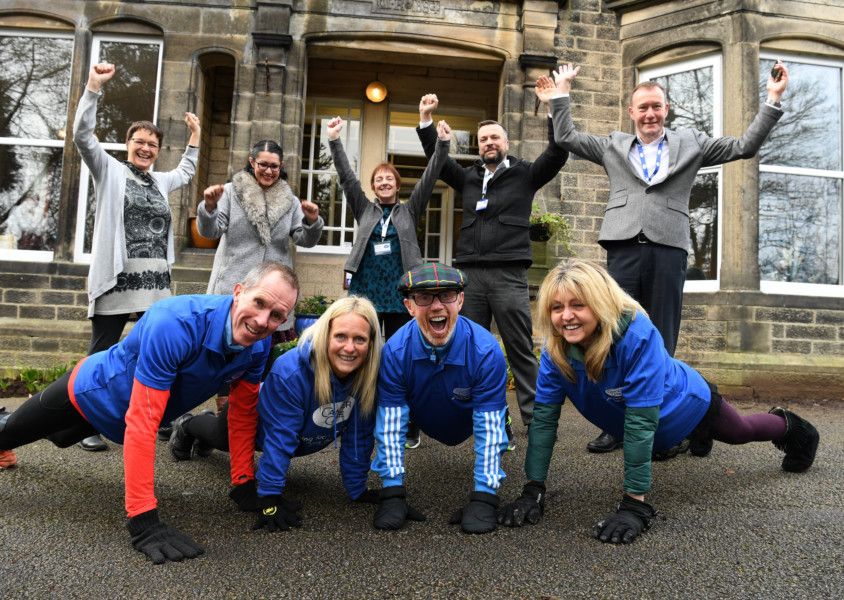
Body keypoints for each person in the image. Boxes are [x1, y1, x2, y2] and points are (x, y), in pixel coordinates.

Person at [537, 61, 789, 453]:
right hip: (622, 245)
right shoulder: (612, 146)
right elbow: (566, 135)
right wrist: (562, 91)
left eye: (656, 106)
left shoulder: (691, 144)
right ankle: (617, 425)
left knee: (662, 333)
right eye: (643, 107)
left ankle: (660, 420)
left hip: (668, 247)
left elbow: (744, 147)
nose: (650, 114)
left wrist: (772, 100)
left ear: (666, 109)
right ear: (632, 112)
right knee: (610, 328)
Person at [497, 259, 819, 544]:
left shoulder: (637, 336)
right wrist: (532, 488)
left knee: (742, 431)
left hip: (687, 405)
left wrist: (634, 503)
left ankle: (793, 427)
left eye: (577, 305)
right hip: (649, 428)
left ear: (598, 304)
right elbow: (543, 421)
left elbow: (639, 422)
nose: (566, 316)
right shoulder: (557, 352)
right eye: (556, 307)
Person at [0, 262, 299, 564]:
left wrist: (245, 483)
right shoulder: (174, 323)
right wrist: (143, 520)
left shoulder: (258, 348)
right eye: (259, 302)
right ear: (238, 292)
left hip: (122, 422)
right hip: (87, 394)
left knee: (61, 439)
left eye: (276, 316)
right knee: (10, 433)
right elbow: (143, 422)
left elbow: (243, 414)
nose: (262, 320)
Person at [416, 94, 569, 438]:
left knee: (520, 350)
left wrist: (552, 111)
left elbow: (558, 153)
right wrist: (427, 122)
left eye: (494, 137)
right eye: (483, 138)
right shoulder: (468, 178)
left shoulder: (526, 175)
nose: (489, 143)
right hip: (470, 276)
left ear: (506, 143)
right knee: (469, 349)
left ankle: (536, 419)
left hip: (509, 274)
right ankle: (480, 415)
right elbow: (437, 161)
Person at [72, 62, 201, 452]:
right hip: (117, 279)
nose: (146, 149)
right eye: (139, 142)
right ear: (128, 144)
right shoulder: (108, 169)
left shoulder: (160, 181)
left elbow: (186, 171)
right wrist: (94, 87)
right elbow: (82, 135)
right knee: (102, 353)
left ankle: (157, 415)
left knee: (159, 350)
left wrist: (195, 136)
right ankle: (82, 423)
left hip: (155, 286)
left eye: (152, 145)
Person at [172, 297, 382, 528]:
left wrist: (357, 490)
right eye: (340, 336)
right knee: (220, 437)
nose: (349, 348)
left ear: (371, 343)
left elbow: (358, 437)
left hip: (296, 432)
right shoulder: (291, 372)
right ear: (326, 335)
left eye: (359, 339)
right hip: (254, 422)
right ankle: (187, 425)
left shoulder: (367, 378)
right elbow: (280, 438)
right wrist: (268, 496)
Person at [326, 117, 452, 450]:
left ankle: (408, 420)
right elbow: (345, 175)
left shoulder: (410, 211)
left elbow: (431, 174)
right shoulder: (364, 209)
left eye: (389, 179)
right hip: (365, 292)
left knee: (399, 356)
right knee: (360, 353)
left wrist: (441, 144)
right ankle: (355, 416)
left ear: (397, 185)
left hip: (399, 294)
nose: (384, 182)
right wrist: (335, 140)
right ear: (373, 186)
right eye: (378, 179)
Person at [370, 262, 510, 534]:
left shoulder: (486, 350)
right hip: (423, 412)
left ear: (460, 300)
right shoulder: (395, 351)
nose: (436, 307)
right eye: (423, 298)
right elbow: (389, 424)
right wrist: (392, 490)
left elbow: (489, 428)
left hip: (469, 415)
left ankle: (509, 420)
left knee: (496, 418)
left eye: (446, 295)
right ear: (409, 306)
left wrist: (485, 495)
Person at [194, 140, 323, 422]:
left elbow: (304, 239)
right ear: (251, 162)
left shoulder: (289, 200)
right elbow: (210, 231)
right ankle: (221, 422)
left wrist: (312, 221)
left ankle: (247, 420)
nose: (268, 170)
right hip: (235, 289)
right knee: (227, 359)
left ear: (281, 167)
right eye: (262, 164)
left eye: (274, 166)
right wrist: (209, 206)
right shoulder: (230, 192)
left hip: (273, 292)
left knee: (259, 362)